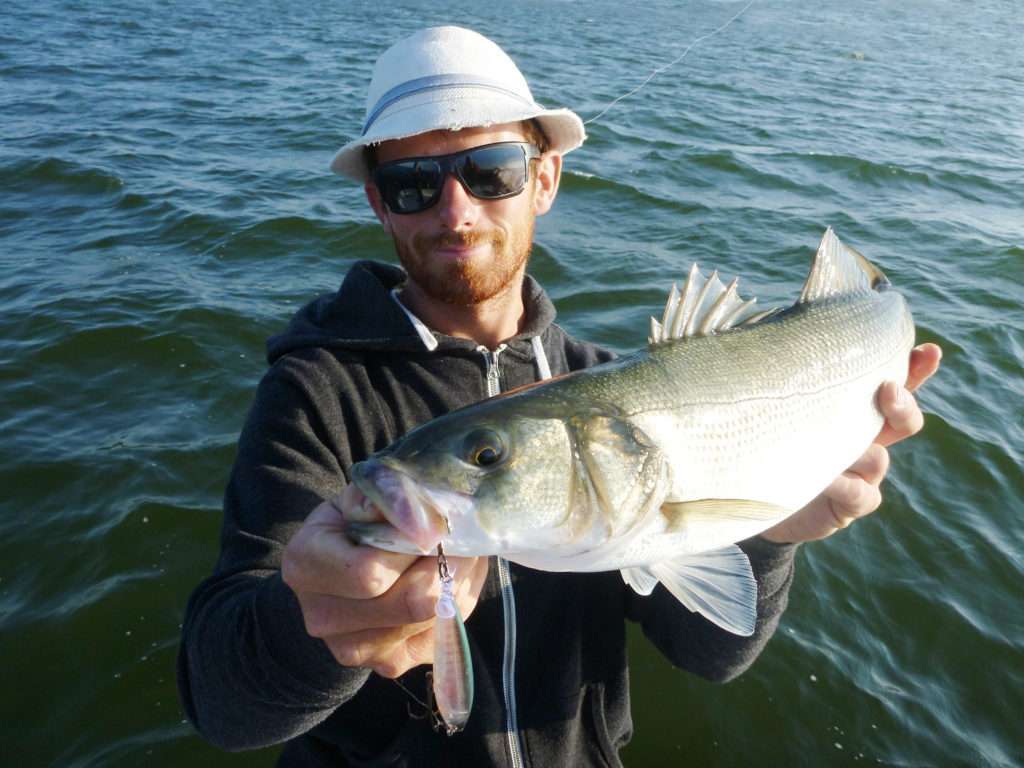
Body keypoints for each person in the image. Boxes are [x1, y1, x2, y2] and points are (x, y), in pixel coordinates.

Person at [177, 25, 942, 767]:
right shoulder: (315, 392)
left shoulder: (598, 372)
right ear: (378, 204)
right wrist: (312, 627)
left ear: (544, 179)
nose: (456, 211)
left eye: (491, 171)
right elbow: (224, 708)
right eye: (412, 183)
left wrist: (774, 531)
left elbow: (712, 654)